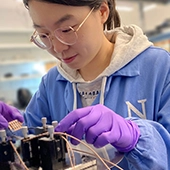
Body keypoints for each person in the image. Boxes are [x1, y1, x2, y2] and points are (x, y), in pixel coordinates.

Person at [0, 0, 170, 169]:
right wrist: (12, 133)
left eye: (67, 30)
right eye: (44, 35)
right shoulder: (51, 82)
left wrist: (137, 138)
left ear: (102, 11)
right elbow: (31, 144)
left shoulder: (159, 67)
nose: (58, 48)